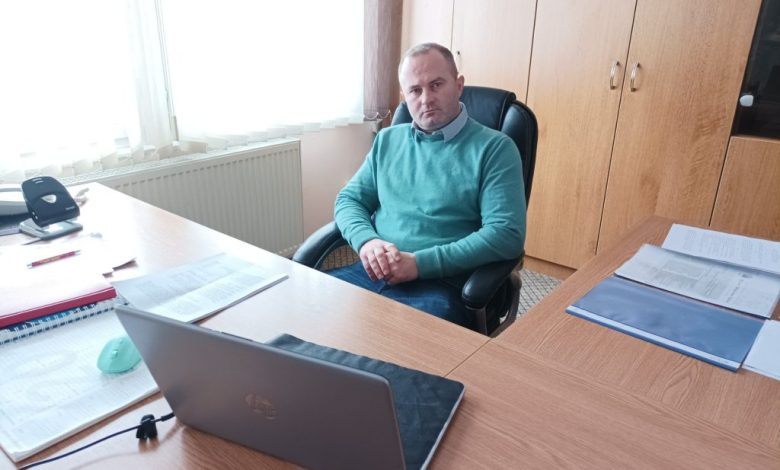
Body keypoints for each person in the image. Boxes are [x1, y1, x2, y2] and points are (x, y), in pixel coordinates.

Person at [330, 42, 526, 330]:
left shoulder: (495, 149)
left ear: (458, 85)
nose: (426, 99)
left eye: (436, 85)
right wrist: (367, 241)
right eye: (415, 90)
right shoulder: (387, 141)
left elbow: (506, 234)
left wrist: (419, 264)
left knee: (396, 351)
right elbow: (349, 200)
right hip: (372, 272)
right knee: (307, 318)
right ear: (405, 96)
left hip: (442, 285)